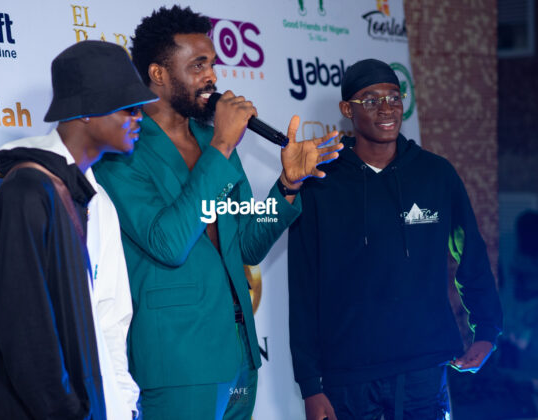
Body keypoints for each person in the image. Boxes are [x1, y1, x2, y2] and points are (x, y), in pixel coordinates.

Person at [92, 5, 342, 419]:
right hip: (178, 361)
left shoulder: (211, 140)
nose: (211, 76)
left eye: (212, 64)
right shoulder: (123, 150)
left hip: (240, 356)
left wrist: (287, 185)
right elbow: (168, 243)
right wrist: (223, 146)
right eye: (198, 65)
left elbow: (247, 246)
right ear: (158, 74)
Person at [288, 58, 503, 420]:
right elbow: (303, 284)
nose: (386, 108)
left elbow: (472, 256)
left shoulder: (436, 174)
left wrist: (487, 330)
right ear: (347, 110)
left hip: (424, 368)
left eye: (393, 97)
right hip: (348, 374)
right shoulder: (321, 183)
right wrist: (310, 383)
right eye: (371, 100)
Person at [0, 40, 157, 419]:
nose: (140, 118)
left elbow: (111, 318)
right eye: (129, 108)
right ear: (85, 113)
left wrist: (124, 404)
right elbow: (24, 329)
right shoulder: (25, 192)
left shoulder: (100, 201)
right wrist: (67, 412)